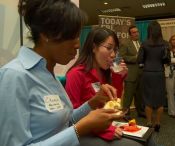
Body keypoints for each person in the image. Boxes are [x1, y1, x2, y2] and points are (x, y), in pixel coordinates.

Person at [0, 0, 124, 145]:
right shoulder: (14, 76)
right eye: (72, 36)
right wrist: (81, 129)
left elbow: (65, 121)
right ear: (47, 34)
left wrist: (92, 103)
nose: (78, 45)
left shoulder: (48, 73)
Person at [65, 27, 128, 141]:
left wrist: (118, 76)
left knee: (148, 137)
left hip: (107, 125)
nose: (113, 55)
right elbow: (71, 119)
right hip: (85, 132)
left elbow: (114, 103)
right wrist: (104, 130)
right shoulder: (76, 74)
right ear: (94, 47)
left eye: (115, 49)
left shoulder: (105, 72)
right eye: (109, 48)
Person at [137, 21, 170, 132]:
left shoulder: (144, 43)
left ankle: (149, 122)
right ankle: (158, 122)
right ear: (159, 30)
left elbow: (139, 60)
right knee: (159, 99)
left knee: (148, 99)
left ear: (149, 30)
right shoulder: (165, 43)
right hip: (159, 72)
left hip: (147, 73)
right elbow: (167, 61)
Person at [119, 25, 145, 117]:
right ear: (130, 35)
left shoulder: (141, 44)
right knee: (128, 95)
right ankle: (125, 113)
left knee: (140, 95)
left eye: (137, 32)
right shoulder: (125, 44)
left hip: (141, 73)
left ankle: (140, 111)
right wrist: (134, 58)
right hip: (130, 74)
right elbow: (122, 57)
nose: (136, 34)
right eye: (134, 32)